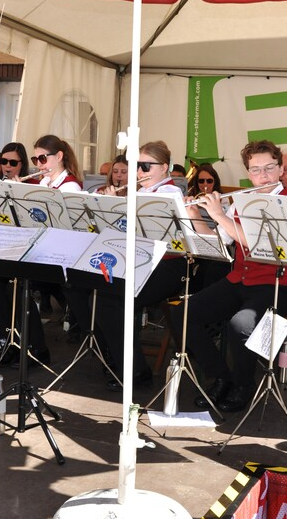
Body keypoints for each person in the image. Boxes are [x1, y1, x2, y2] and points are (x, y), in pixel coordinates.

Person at [178, 140, 287, 413]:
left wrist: (220, 215)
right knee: (186, 314)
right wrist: (195, 214)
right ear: (248, 173)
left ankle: (244, 385)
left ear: (281, 169)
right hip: (239, 279)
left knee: (241, 325)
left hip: (276, 284)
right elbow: (217, 244)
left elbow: (265, 247)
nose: (263, 176)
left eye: (269, 168)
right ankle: (221, 376)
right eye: (256, 170)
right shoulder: (240, 202)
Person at [90, 141, 186, 390]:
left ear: (164, 167)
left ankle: (133, 368)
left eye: (145, 166)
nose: (139, 172)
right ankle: (120, 360)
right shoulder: (142, 191)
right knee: (98, 293)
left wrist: (119, 205)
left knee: (115, 300)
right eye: (136, 166)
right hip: (141, 262)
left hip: (168, 266)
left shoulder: (169, 194)